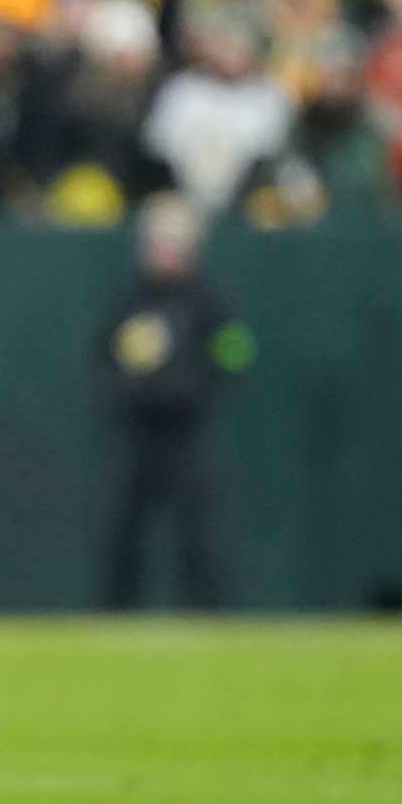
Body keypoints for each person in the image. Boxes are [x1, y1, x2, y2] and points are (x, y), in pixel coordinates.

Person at [97, 199, 253, 612]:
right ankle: (111, 616)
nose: (166, 253)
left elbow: (236, 351)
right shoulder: (130, 302)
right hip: (137, 432)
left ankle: (209, 614)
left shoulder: (206, 304)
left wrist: (203, 384)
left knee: (197, 531)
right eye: (160, 244)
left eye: (175, 244)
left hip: (186, 433)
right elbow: (103, 356)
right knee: (123, 529)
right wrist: (122, 389)